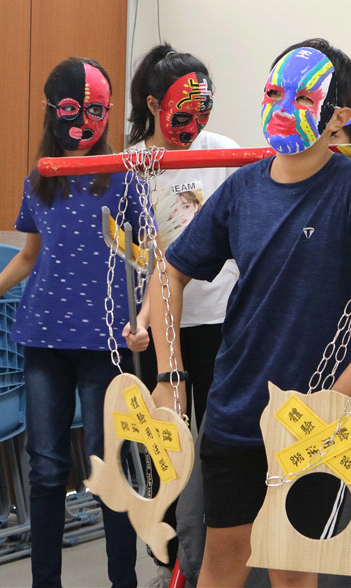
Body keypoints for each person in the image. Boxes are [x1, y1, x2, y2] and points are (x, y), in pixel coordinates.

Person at [147, 38, 351, 588]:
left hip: (310, 423)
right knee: (222, 559)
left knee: (293, 570)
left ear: (338, 116)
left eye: (303, 98)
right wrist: (168, 374)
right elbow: (169, 272)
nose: (282, 107)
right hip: (235, 410)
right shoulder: (242, 187)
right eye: (275, 92)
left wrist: (340, 396)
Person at [0, 57, 143, 588]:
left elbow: (153, 258)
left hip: (104, 343)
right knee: (45, 468)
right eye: (70, 110)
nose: (83, 122)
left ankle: (123, 581)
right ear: (51, 111)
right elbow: (28, 255)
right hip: (43, 338)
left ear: (108, 112)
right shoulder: (40, 179)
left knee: (106, 465)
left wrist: (145, 319)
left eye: (95, 111)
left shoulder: (123, 178)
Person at [120, 43, 241, 587]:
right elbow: (133, 258)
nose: (194, 126)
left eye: (203, 112)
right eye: (182, 114)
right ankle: (171, 559)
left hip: (220, 318)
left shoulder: (227, 153)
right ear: (153, 104)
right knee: (165, 445)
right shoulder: (133, 164)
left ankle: (215, 552)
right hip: (161, 326)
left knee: (219, 441)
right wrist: (140, 320)